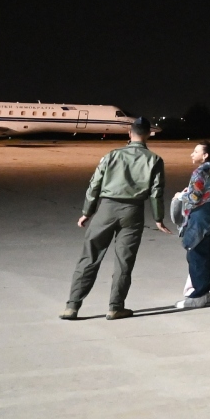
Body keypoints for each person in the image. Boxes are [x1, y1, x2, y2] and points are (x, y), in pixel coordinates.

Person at [63, 117, 169, 321]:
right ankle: (115, 307)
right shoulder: (155, 160)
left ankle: (72, 306)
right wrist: (158, 218)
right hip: (133, 211)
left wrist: (87, 212)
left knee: (89, 257)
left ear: (129, 133)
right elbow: (157, 192)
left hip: (106, 209)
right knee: (124, 261)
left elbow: (94, 184)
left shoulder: (111, 155)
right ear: (148, 134)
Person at [174, 140, 210, 304]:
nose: (192, 154)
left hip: (201, 218)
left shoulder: (200, 171)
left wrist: (180, 196)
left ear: (205, 155)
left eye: (196, 151)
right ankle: (204, 293)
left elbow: (194, 197)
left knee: (196, 255)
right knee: (207, 256)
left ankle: (197, 296)